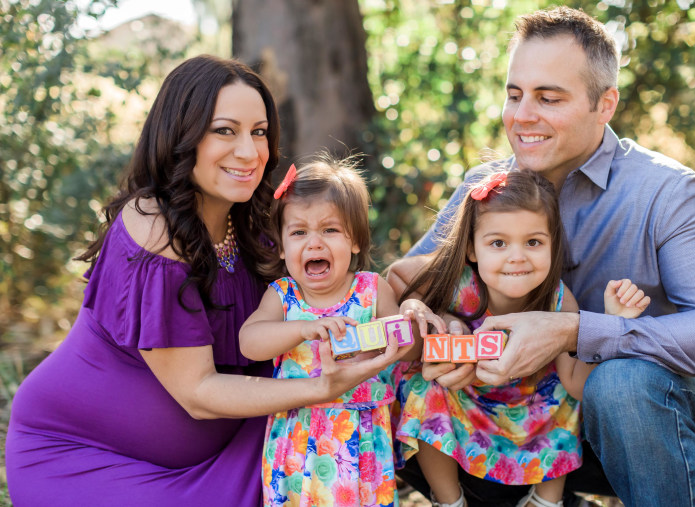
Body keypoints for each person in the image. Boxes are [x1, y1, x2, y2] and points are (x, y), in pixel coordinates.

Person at [391, 6, 695, 506]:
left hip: (673, 420)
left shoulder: (666, 192)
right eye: (514, 94)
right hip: (527, 416)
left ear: (604, 104)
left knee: (620, 384)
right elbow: (402, 288)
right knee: (387, 367)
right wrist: (434, 324)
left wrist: (573, 330)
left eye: (549, 98)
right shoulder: (486, 192)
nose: (522, 116)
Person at [5, 55, 406, 507]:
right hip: (87, 456)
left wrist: (407, 304)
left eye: (259, 132)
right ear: (182, 136)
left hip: (245, 440)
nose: (250, 151)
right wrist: (319, 389)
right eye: (224, 130)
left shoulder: (255, 225)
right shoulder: (152, 226)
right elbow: (197, 394)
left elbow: (341, 292)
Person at [387, 170, 649, 507]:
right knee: (420, 383)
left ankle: (545, 499)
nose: (517, 257)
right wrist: (416, 306)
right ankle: (448, 500)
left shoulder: (557, 300)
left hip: (533, 410)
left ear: (553, 245)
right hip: (464, 400)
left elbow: (576, 385)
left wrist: (610, 325)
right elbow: (395, 276)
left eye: (534, 242)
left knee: (565, 399)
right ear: (471, 248)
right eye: (498, 243)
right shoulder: (457, 281)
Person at [238, 155, 442, 506]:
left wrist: (397, 330)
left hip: (359, 436)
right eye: (299, 232)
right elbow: (249, 342)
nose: (314, 243)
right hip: (300, 433)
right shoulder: (284, 295)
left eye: (329, 230)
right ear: (283, 246)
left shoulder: (371, 289)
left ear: (356, 241)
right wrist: (303, 329)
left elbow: (407, 347)